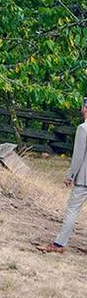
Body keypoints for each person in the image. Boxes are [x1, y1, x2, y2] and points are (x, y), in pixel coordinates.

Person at [39, 99, 87, 253]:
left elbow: (78, 156)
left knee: (72, 210)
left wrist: (70, 175)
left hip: (84, 179)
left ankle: (59, 244)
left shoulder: (83, 129)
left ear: (84, 109)